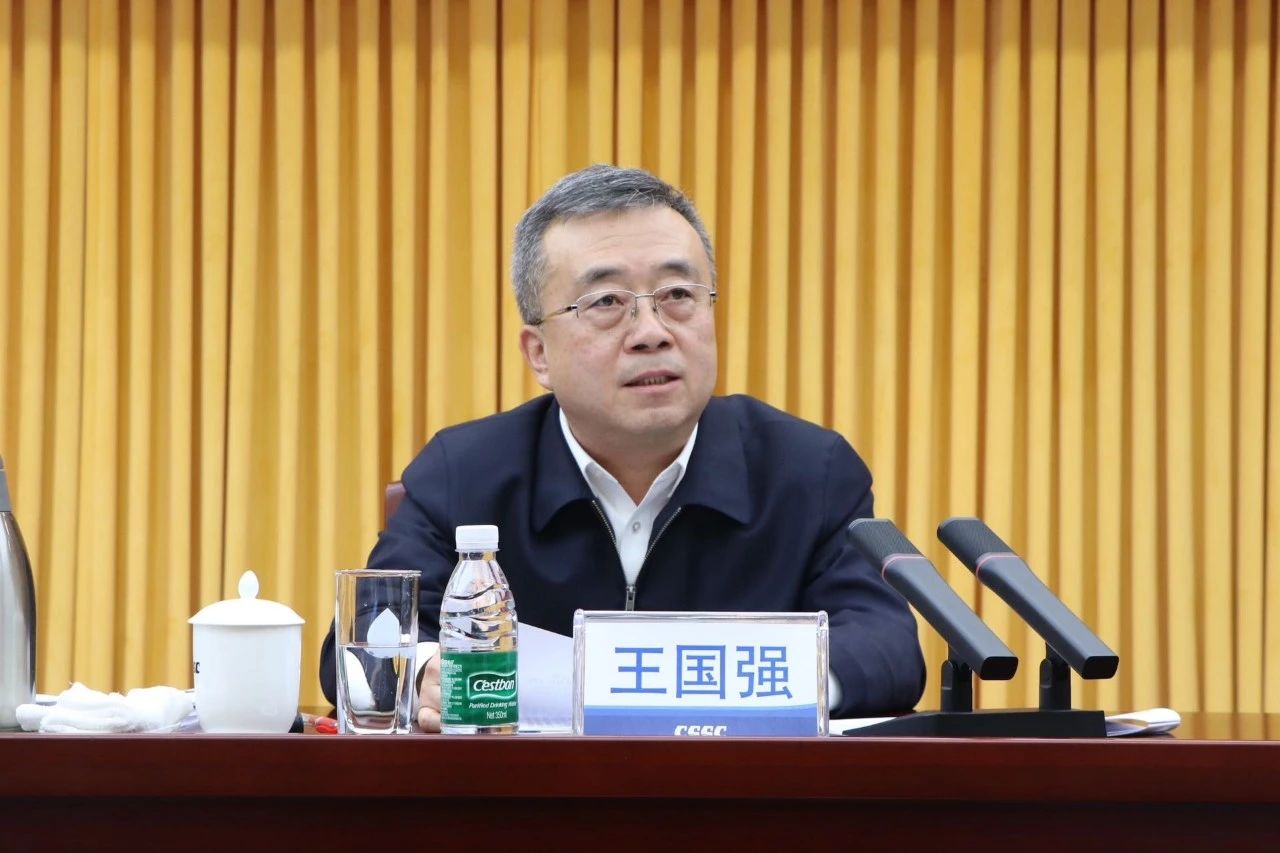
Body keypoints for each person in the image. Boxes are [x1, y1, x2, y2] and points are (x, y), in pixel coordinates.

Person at [318, 165, 925, 728]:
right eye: (607, 302)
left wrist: (744, 694)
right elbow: (362, 644)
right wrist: (426, 675)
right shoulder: (466, 473)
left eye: (678, 295)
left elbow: (887, 648)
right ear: (539, 353)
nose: (652, 333)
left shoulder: (808, 471)